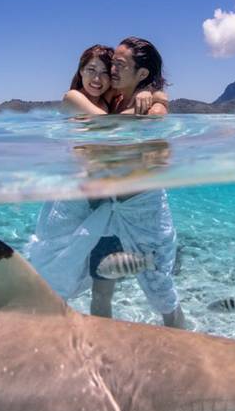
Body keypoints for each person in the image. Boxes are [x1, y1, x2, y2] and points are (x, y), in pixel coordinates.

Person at [25, 37, 185, 328]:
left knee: (162, 293)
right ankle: (97, 350)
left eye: (115, 66)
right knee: (100, 287)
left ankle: (190, 352)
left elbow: (155, 122)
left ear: (142, 74)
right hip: (101, 209)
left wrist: (158, 98)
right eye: (94, 69)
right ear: (80, 71)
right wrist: (155, 95)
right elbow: (107, 125)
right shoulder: (89, 99)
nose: (107, 73)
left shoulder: (135, 104)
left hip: (141, 211)